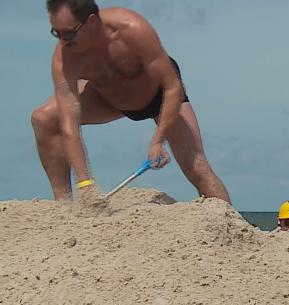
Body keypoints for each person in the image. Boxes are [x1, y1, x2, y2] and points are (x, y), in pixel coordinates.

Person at [33, 1, 229, 202]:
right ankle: (63, 206)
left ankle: (232, 226)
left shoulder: (132, 29)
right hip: (107, 100)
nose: (63, 41)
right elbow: (69, 124)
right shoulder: (65, 58)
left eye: (69, 33)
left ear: (92, 21)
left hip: (159, 97)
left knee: (197, 167)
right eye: (56, 33)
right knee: (44, 118)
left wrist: (158, 140)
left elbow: (172, 86)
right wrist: (85, 184)